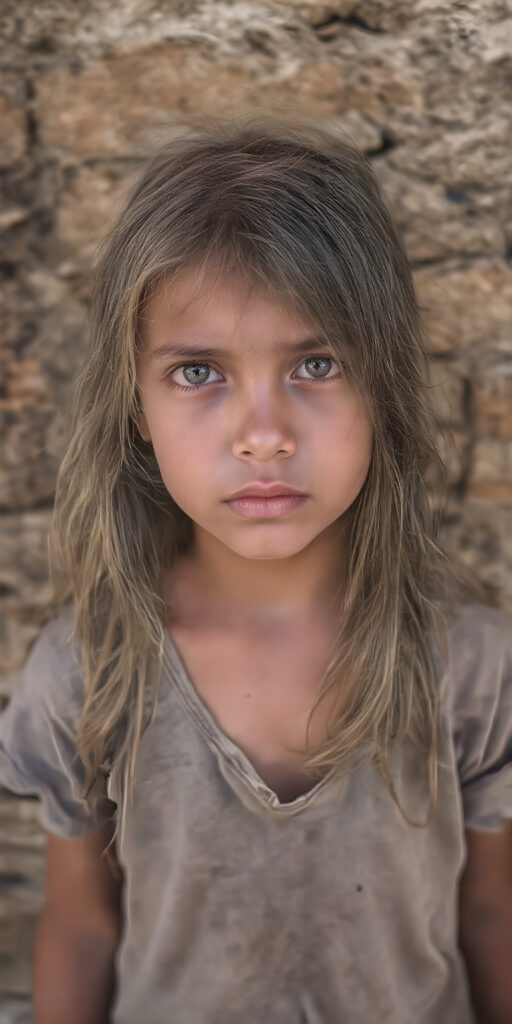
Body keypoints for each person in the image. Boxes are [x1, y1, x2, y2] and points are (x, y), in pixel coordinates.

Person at [0, 110, 511, 1024]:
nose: (265, 436)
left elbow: (492, 917)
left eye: (317, 363)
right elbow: (80, 928)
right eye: (199, 372)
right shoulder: (86, 675)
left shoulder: (471, 669)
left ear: (384, 385)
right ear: (134, 408)